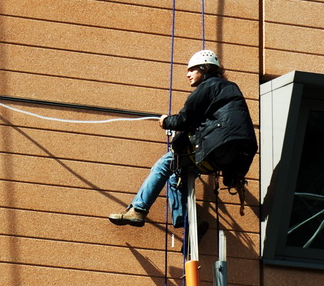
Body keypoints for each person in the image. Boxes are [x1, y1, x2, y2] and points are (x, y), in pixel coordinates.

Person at [108, 49, 256, 228]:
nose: (188, 75)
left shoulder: (209, 86)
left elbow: (185, 119)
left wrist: (166, 122)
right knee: (176, 171)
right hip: (229, 157)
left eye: (192, 70)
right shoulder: (230, 89)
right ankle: (183, 219)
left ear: (205, 69)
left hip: (216, 145)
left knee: (165, 162)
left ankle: (138, 210)